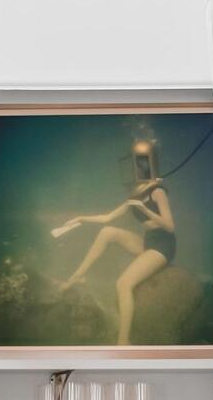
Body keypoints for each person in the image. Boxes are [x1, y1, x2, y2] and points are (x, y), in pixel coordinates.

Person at [50, 137, 177, 345]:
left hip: (163, 245)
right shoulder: (137, 194)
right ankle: (74, 278)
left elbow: (170, 226)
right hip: (148, 242)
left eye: (142, 163)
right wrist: (81, 218)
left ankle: (123, 342)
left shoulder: (158, 192)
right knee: (107, 231)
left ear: (150, 164)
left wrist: (145, 209)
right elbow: (107, 217)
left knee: (123, 284)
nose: (138, 168)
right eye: (136, 163)